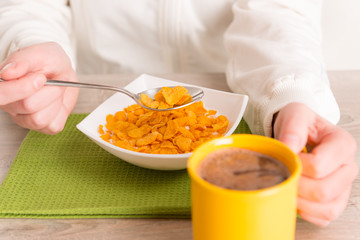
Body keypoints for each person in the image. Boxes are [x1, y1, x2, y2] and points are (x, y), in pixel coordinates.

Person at [0, 0, 357, 227]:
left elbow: (279, 10)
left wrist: (291, 92)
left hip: (237, 88)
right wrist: (29, 43)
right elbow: (28, 6)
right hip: (96, 84)